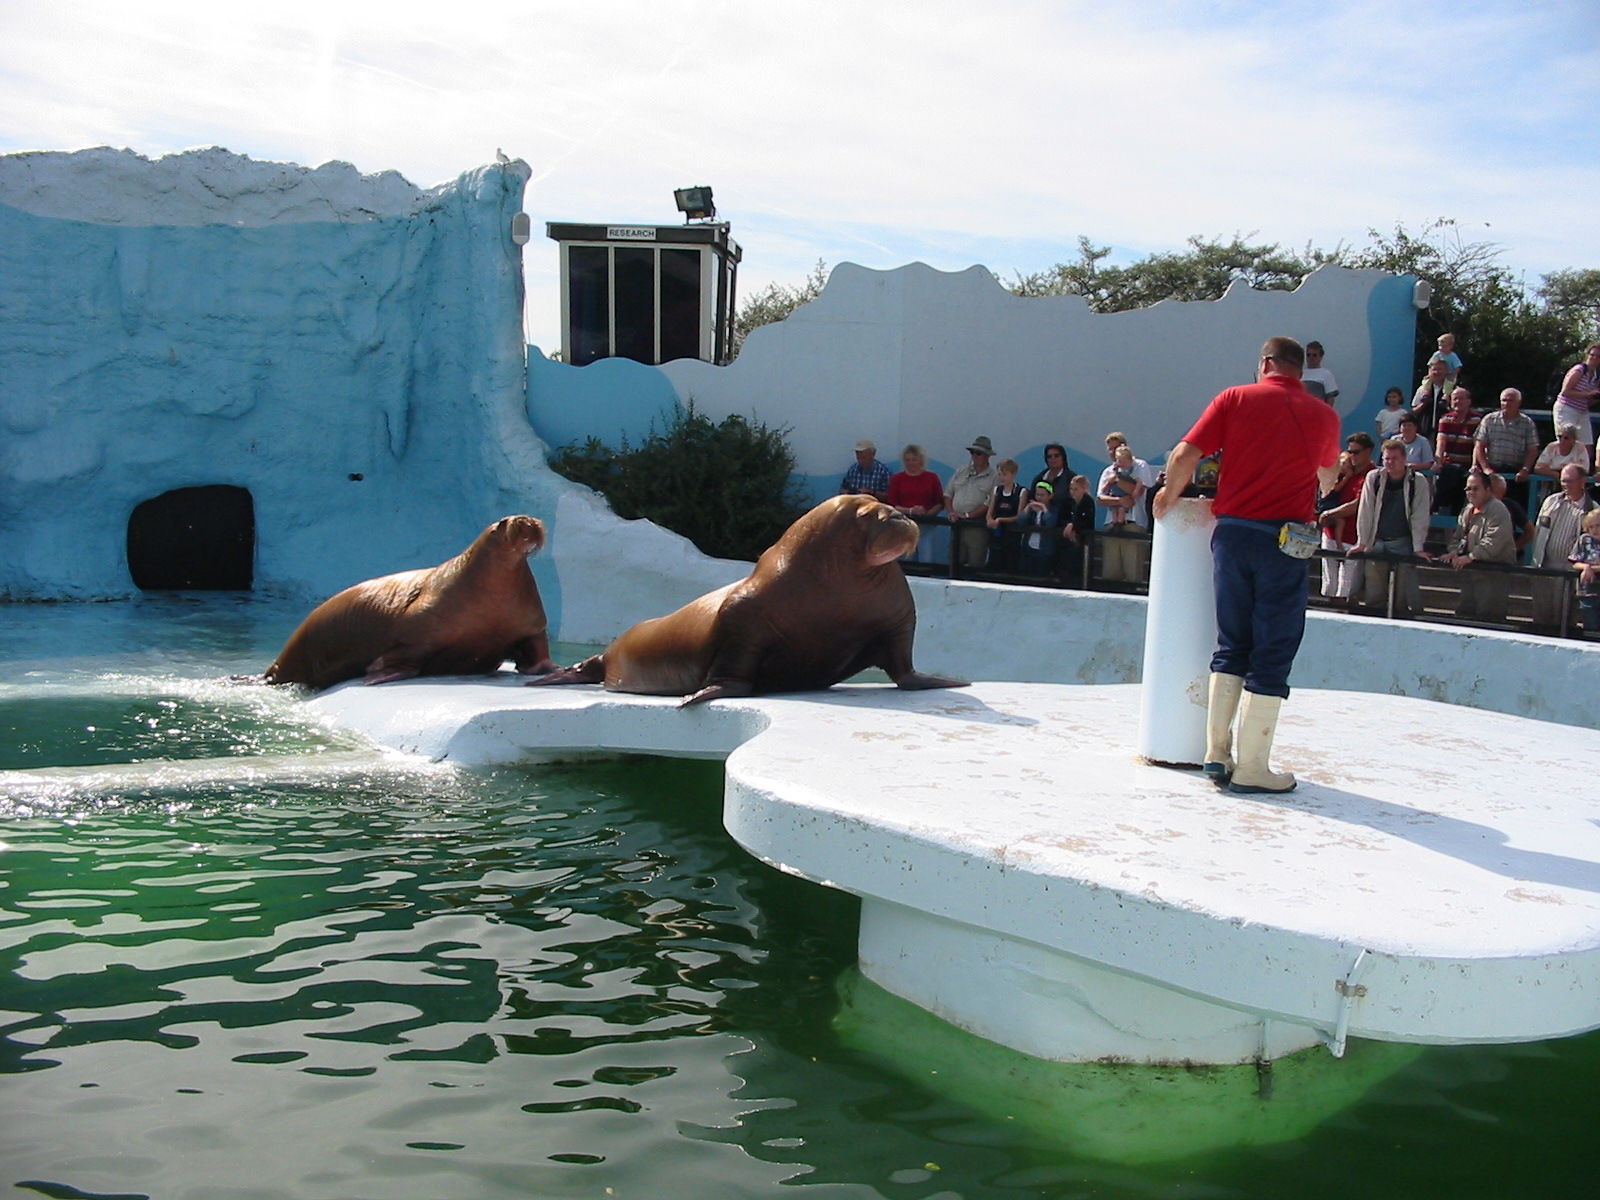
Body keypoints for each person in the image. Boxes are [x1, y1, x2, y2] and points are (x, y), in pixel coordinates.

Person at [1152, 336, 1340, 795]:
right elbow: (1329, 474)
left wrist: (1168, 495)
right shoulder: (1324, 415)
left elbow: (1184, 455)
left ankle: (1217, 753)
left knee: (1232, 642)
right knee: (1272, 649)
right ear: (1300, 370)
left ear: (1265, 363)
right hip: (1284, 543)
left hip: (1232, 536)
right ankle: (1253, 767)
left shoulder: (1234, 398)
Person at [1352, 439, 1433, 616]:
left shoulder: (1418, 481)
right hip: (1377, 542)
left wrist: (1418, 548)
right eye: (1387, 458)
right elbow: (1366, 511)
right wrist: (1362, 542)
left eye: (1394, 458)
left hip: (1402, 542)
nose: (1390, 462)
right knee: (1374, 596)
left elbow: (1420, 516)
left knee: (1401, 597)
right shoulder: (1374, 478)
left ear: (1404, 458)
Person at [1440, 470, 1515, 622]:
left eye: (1476, 488)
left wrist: (1471, 556)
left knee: (1490, 620)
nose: (1471, 492)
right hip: (1470, 576)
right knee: (1464, 616)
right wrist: (1454, 552)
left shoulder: (1498, 510)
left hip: (1493, 577)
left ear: (1487, 490)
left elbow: (1494, 541)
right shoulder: (1468, 510)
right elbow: (1458, 537)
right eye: (1468, 488)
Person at [1532, 463, 1598, 628]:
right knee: (1541, 618)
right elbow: (1538, 531)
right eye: (1563, 481)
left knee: (1565, 621)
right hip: (1545, 568)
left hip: (1570, 573)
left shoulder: (1593, 510)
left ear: (1582, 481)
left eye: (1569, 481)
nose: (1565, 485)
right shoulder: (1551, 501)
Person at [1318, 432, 1375, 604]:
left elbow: (1357, 505)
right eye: (1350, 452)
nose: (1352, 456)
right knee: (1330, 587)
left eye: (1356, 452)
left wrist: (1329, 513)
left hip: (1354, 538)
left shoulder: (1372, 475)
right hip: (1330, 533)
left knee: (1348, 590)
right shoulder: (1344, 469)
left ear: (1368, 451)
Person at [1473, 387, 1539, 512]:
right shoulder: (1489, 419)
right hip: (1493, 470)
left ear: (1519, 403)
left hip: (1516, 472)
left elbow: (1532, 449)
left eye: (1510, 400)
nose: (1506, 403)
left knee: (1515, 509)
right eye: (1504, 400)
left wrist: (1525, 469)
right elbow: (1479, 445)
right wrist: (1485, 468)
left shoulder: (1527, 423)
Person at [945, 436, 998, 572]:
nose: (974, 456)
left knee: (976, 565)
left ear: (987, 456)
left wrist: (968, 515)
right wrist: (951, 513)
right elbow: (948, 494)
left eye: (978, 453)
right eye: (972, 452)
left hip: (977, 528)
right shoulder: (960, 472)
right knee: (954, 562)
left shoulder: (995, 477)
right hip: (956, 525)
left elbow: (989, 503)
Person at [1097, 443, 1148, 584]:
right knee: (1110, 572)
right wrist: (1119, 500)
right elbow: (1100, 498)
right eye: (1110, 449)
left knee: (1133, 573)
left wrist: (1117, 479)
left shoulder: (1139, 466)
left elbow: (1138, 491)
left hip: (1133, 523)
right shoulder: (1108, 471)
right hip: (1111, 525)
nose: (1112, 452)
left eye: (1115, 448)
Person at [887, 444, 946, 563]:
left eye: (914, 459)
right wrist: (910, 511)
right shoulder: (897, 479)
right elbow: (892, 504)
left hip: (926, 526)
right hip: (904, 526)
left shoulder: (932, 478)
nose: (911, 463)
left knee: (926, 559)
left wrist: (928, 514)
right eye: (907, 460)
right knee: (907, 560)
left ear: (921, 460)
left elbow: (940, 502)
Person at [1433, 385, 1480, 514]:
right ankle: (1440, 508)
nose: (1458, 401)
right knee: (1451, 474)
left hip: (1467, 465)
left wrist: (1475, 464)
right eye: (1455, 399)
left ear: (1469, 401)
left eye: (1461, 398)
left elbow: (1478, 445)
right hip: (1450, 465)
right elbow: (1441, 442)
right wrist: (1438, 462)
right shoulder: (1445, 419)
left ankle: (1437, 506)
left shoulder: (1477, 420)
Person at [1553, 344, 1600, 458]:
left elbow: (1589, 401)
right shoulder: (1579, 370)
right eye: (1592, 355)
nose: (1594, 358)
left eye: (1598, 356)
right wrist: (1588, 394)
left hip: (1582, 411)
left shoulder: (1596, 376)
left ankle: (1583, 467)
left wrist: (1595, 397)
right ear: (1587, 355)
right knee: (1566, 442)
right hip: (1567, 408)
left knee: (1586, 446)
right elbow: (1565, 391)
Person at [986, 458, 1025, 572]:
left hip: (1012, 538)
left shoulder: (1021, 492)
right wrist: (990, 520)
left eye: (1004, 474)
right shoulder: (996, 490)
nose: (1001, 478)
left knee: (1010, 566)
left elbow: (1019, 516)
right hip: (997, 536)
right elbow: (990, 512)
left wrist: (1000, 520)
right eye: (999, 474)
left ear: (1013, 474)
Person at [1057, 474, 1097, 585]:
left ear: (1084, 489)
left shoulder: (1088, 502)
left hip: (1083, 540)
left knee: (1079, 566)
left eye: (1076, 489)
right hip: (1067, 541)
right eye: (1071, 488)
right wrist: (1068, 525)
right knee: (1065, 565)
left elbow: (1087, 520)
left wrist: (1074, 527)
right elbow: (1062, 517)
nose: (1073, 492)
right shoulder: (1067, 501)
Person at [1015, 480, 1058, 577]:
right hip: (1028, 549)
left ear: (1050, 496)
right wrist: (1028, 508)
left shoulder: (1054, 510)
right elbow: (1020, 521)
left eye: (1042, 495)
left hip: (1044, 551)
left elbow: (1051, 523)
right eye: (1037, 494)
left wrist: (1044, 509)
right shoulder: (1031, 510)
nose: (1039, 498)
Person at [1488, 473, 1534, 558]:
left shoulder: (1511, 506)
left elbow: (1530, 531)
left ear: (1503, 491)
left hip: (1503, 558)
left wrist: (1514, 549)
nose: (1489, 493)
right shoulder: (1475, 506)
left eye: (1492, 490)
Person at [1569, 508, 1600, 633]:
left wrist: (1593, 568)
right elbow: (1575, 562)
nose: (1595, 530)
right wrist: (1586, 567)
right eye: (1591, 526)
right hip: (1588, 593)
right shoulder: (1584, 539)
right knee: (1590, 631)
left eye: (1598, 525)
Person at [1411, 359, 1454, 437]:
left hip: (1446, 432)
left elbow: (1459, 412)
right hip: (1424, 432)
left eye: (1440, 369)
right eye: (1434, 369)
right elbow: (1413, 411)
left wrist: (1447, 406)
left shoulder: (1453, 390)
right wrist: (1423, 404)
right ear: (1429, 371)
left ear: (1446, 370)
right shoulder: (1422, 389)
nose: (1437, 372)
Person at [1030, 443, 1072, 513]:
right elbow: (1031, 497)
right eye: (1049, 456)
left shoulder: (1071, 479)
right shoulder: (1039, 478)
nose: (1053, 458)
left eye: (1056, 455)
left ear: (1063, 458)